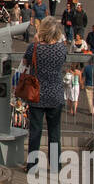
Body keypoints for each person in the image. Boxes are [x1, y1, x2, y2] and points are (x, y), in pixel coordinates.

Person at [24, 16, 68, 175]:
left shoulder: (33, 48)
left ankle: (32, 165)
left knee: (35, 132)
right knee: (55, 133)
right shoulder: (61, 49)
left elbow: (25, 63)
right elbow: (63, 60)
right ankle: (56, 166)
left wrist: (36, 39)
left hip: (36, 94)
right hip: (55, 94)